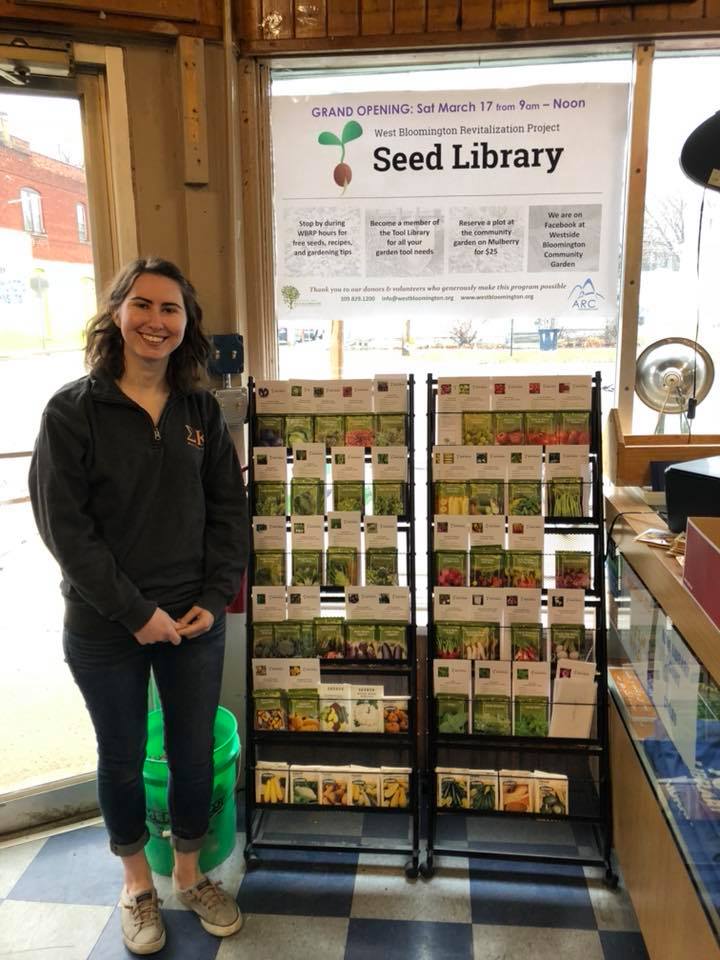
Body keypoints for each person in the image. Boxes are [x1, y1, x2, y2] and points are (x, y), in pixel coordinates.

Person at [28, 257, 249, 954]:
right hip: (104, 625)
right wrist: (133, 612)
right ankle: (136, 885)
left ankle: (190, 874)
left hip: (192, 624)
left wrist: (214, 599)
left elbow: (229, 514)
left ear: (187, 326)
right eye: (144, 305)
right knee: (121, 758)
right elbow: (66, 529)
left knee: (189, 755)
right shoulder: (72, 411)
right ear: (117, 313)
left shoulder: (199, 411)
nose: (158, 321)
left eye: (172, 310)